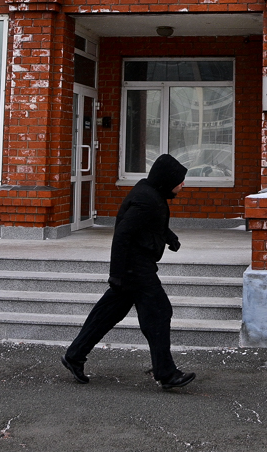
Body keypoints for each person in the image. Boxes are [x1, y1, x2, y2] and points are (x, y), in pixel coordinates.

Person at [61, 153, 196, 390]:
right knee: (158, 312)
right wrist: (117, 273)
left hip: (133, 267)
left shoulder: (152, 194)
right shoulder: (146, 200)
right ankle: (166, 373)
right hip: (135, 268)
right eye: (180, 180)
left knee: (106, 315)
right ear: (166, 180)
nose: (183, 184)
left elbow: (153, 224)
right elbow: (123, 234)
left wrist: (169, 237)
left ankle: (74, 355)